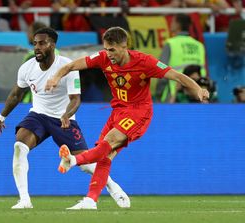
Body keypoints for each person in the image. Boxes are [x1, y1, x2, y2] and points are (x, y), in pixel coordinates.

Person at [45, 26, 209, 210]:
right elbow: (71, 65)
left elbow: (177, 76)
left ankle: (73, 161)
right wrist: (55, 78)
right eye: (106, 49)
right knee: (104, 155)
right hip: (118, 111)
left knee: (109, 141)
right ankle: (91, 200)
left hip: (139, 112)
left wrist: (198, 89)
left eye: (112, 49)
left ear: (124, 46)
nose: (108, 54)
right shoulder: (103, 58)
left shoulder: (145, 62)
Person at [0, 27, 130, 209]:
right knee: (19, 147)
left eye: (42, 43)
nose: (37, 48)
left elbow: (75, 99)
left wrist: (66, 114)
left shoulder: (67, 66)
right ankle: (24, 200)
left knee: (85, 163)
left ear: (52, 45)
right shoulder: (27, 68)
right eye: (35, 43)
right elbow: (16, 95)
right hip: (38, 116)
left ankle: (113, 186)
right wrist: (2, 117)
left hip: (63, 119)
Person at [157, 14, 207, 103]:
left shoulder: (170, 44)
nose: (171, 24)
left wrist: (159, 94)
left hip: (173, 95)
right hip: (197, 95)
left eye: (173, 22)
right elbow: (204, 72)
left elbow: (161, 70)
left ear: (178, 25)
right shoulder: (199, 45)